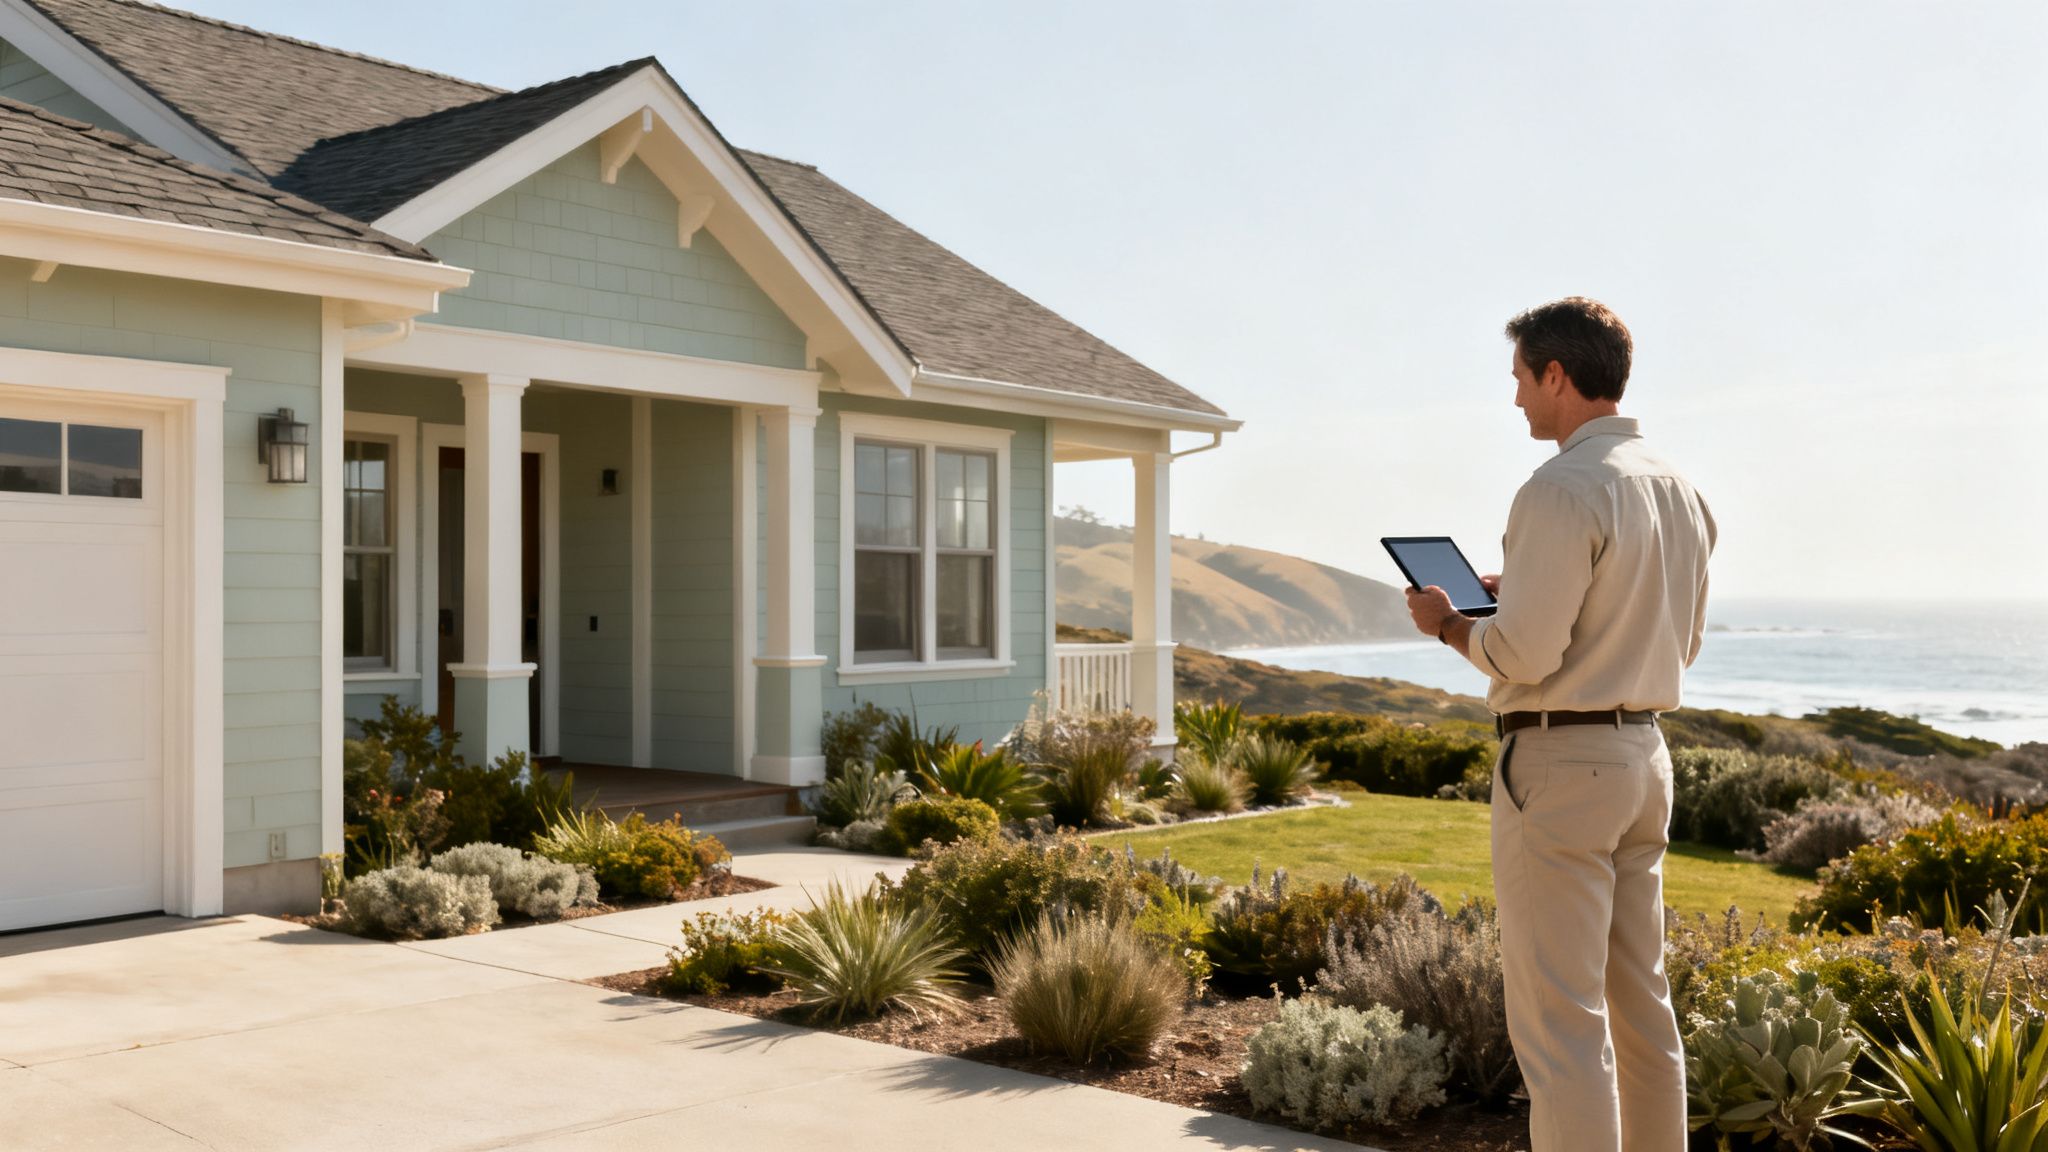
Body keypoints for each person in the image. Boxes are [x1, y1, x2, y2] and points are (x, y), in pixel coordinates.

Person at [1404, 297, 1715, 1152]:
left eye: (1519, 380)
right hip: (1644, 757)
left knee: (1561, 1025)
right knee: (1641, 1005)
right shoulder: (1680, 490)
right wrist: (1526, 595)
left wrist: (1451, 624)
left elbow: (1523, 655)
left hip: (1560, 763)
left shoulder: (1559, 489)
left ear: (1556, 374)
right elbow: (1676, 637)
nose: (1516, 402)